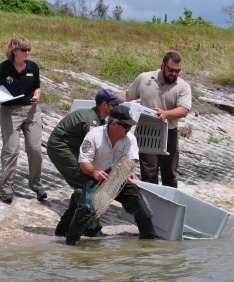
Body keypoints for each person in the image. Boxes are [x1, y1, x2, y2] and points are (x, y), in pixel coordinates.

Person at [65, 105, 155, 245]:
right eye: (126, 126)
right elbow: (83, 162)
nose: (129, 129)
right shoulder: (94, 135)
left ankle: (148, 245)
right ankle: (70, 243)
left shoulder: (129, 138)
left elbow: (132, 159)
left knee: (144, 210)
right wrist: (94, 172)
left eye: (130, 126)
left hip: (119, 177)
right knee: (87, 209)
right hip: (94, 174)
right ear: (113, 123)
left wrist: (127, 169)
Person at [47, 89, 125, 237]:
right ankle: (92, 229)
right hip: (61, 148)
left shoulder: (100, 119)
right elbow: (99, 148)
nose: (116, 108)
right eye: (114, 105)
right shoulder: (92, 121)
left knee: (83, 187)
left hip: (74, 149)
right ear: (104, 104)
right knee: (87, 185)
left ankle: (64, 228)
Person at [118, 51, 192, 188]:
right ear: (162, 65)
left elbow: (184, 110)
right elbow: (128, 95)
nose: (174, 74)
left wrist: (165, 114)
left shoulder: (183, 86)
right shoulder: (144, 78)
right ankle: (150, 205)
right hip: (146, 132)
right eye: (171, 70)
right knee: (149, 173)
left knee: (169, 173)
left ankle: (169, 206)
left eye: (177, 71)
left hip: (169, 132)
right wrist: (109, 99)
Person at [0, 35, 44, 203]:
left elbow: (37, 86)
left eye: (29, 50)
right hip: (9, 111)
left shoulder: (33, 66)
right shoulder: (3, 68)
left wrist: (37, 95)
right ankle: (6, 187)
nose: (27, 52)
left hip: (31, 111)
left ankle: (36, 185)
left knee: (35, 149)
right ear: (14, 51)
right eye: (24, 50)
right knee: (11, 150)